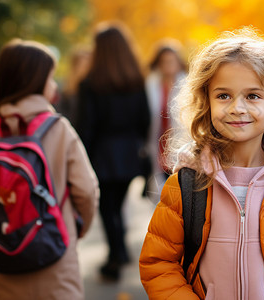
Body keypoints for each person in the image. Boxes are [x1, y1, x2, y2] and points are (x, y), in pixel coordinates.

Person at [139, 28, 264, 300]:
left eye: (252, 96)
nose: (237, 108)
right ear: (208, 102)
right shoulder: (187, 184)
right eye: (223, 95)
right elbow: (158, 263)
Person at [0, 39, 99, 300]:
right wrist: (77, 228)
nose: (54, 85)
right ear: (35, 80)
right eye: (50, 77)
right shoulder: (58, 128)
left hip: (3, 256)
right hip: (55, 254)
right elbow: (87, 191)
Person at [76, 22, 151, 281]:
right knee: (116, 206)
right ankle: (118, 252)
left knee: (108, 209)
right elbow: (145, 120)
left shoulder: (91, 83)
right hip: (130, 152)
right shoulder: (136, 80)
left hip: (103, 154)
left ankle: (116, 255)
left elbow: (87, 126)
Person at [144, 42, 187, 199]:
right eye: (164, 61)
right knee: (159, 188)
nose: (168, 65)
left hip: (181, 142)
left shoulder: (187, 85)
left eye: (172, 61)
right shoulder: (151, 85)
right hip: (157, 142)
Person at [55, 47, 91, 129]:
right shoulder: (63, 92)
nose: (87, 70)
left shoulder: (94, 92)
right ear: (74, 67)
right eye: (84, 66)